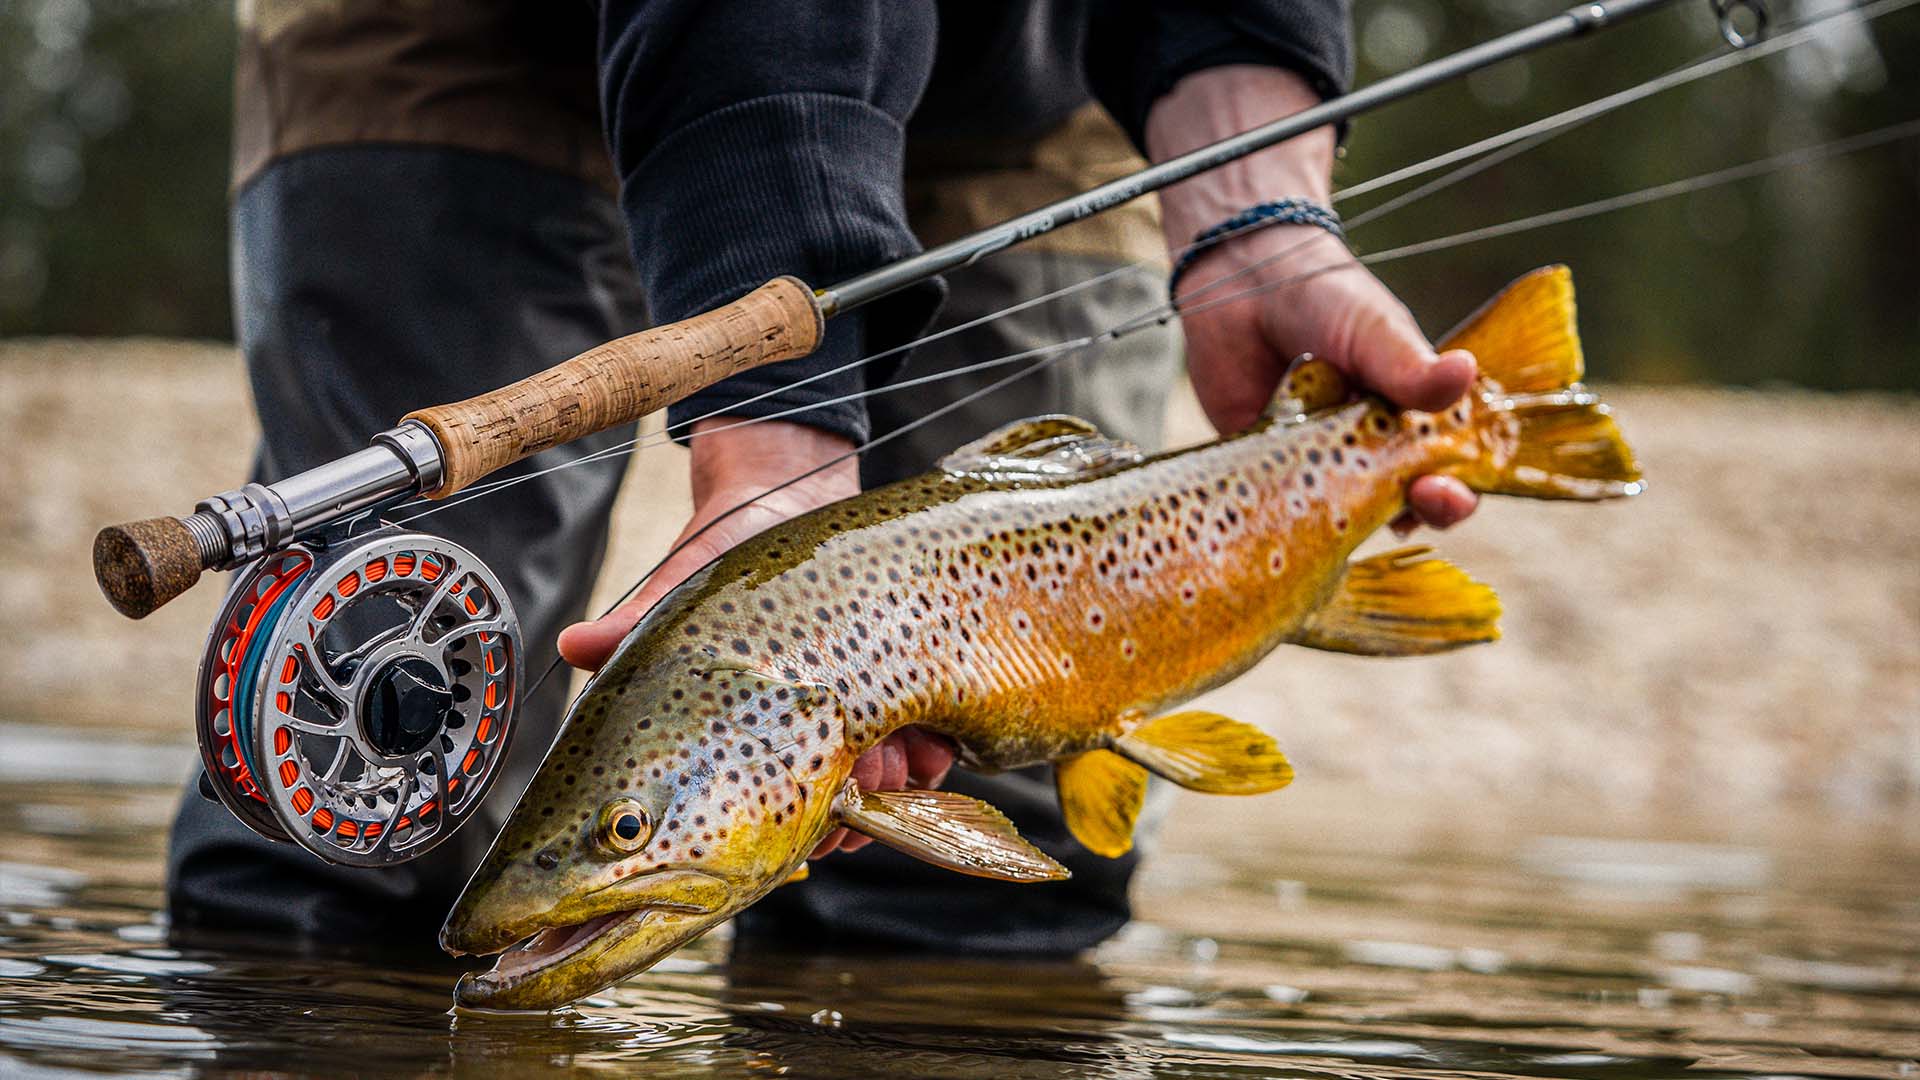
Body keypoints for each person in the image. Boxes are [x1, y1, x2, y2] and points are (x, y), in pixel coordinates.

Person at [169, 0, 1479, 954]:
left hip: (1034, 67)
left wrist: (1254, 205)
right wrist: (780, 429)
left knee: (1003, 818)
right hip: (478, 38)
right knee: (383, 738)